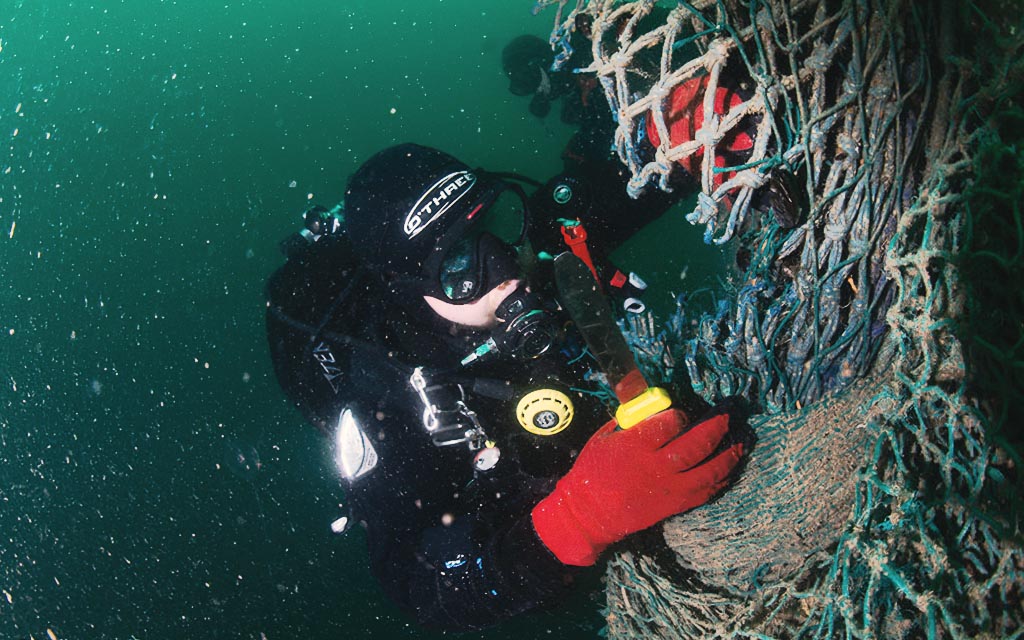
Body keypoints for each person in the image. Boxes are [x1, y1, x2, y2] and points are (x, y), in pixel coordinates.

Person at [265, 142, 748, 632]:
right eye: (458, 264)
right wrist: (577, 521)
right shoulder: (384, 401)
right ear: (409, 289)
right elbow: (418, 587)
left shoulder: (534, 248)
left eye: (493, 224)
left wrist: (681, 144)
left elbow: (634, 182)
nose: (506, 269)